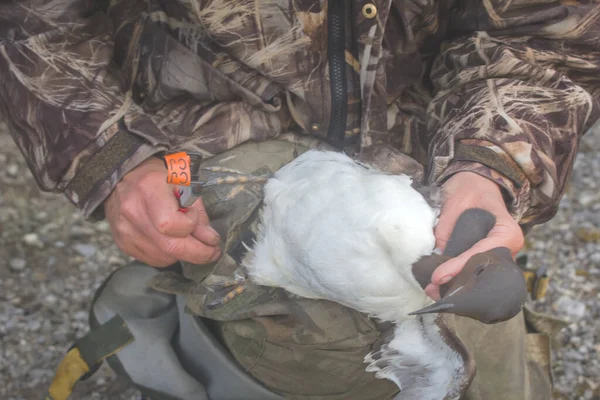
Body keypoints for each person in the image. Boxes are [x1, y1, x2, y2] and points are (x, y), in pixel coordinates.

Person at [1, 1, 598, 399]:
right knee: (321, 346)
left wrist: (489, 165)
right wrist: (112, 154)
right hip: (198, 149)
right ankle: (193, 337)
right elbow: (33, 18)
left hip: (424, 153)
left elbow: (542, 42)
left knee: (475, 353)